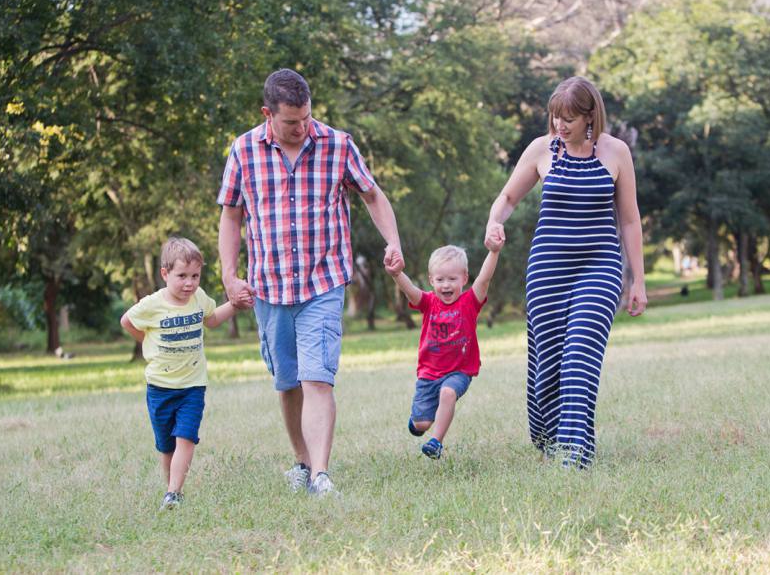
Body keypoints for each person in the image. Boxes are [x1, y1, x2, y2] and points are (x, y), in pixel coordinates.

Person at [217, 69, 403, 497]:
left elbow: (372, 194)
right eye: (290, 121)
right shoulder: (244, 151)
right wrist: (229, 274)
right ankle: (301, 461)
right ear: (267, 114)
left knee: (317, 377)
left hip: (324, 281)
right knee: (287, 382)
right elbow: (231, 215)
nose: (302, 127)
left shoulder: (337, 145)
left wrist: (392, 240)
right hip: (270, 286)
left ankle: (321, 474)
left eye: (306, 118)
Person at [485, 76, 647, 468]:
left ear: (591, 117)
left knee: (580, 357)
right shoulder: (543, 150)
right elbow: (508, 196)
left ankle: (576, 454)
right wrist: (495, 222)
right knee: (548, 364)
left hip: (600, 267)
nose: (560, 125)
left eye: (569, 118)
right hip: (547, 270)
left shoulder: (616, 152)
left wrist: (637, 279)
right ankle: (549, 439)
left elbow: (629, 220)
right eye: (556, 117)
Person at [120, 237, 245, 510]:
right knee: (167, 446)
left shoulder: (198, 298)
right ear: (165, 274)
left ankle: (174, 493)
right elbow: (127, 321)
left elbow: (211, 320)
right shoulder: (152, 304)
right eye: (182, 276)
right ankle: (172, 491)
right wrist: (146, 341)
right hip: (160, 387)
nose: (189, 283)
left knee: (186, 436)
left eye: (195, 276)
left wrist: (235, 305)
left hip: (192, 385)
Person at [385, 237, 502, 460]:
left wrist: (494, 252)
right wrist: (396, 274)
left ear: (465, 278)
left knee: (448, 393)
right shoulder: (429, 302)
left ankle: (436, 442)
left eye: (452, 279)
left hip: (460, 371)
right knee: (421, 423)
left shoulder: (469, 301)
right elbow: (410, 291)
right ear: (431, 280)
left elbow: (485, 279)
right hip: (429, 373)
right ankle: (420, 425)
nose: (446, 285)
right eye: (440, 279)